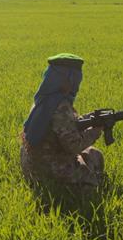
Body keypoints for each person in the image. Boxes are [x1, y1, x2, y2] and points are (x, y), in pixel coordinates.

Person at [20, 54, 105, 197]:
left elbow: (63, 126)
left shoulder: (43, 100)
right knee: (93, 178)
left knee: (92, 154)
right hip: (50, 169)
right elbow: (73, 146)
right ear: (67, 79)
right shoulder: (61, 107)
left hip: (32, 167)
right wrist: (96, 131)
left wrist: (88, 119)